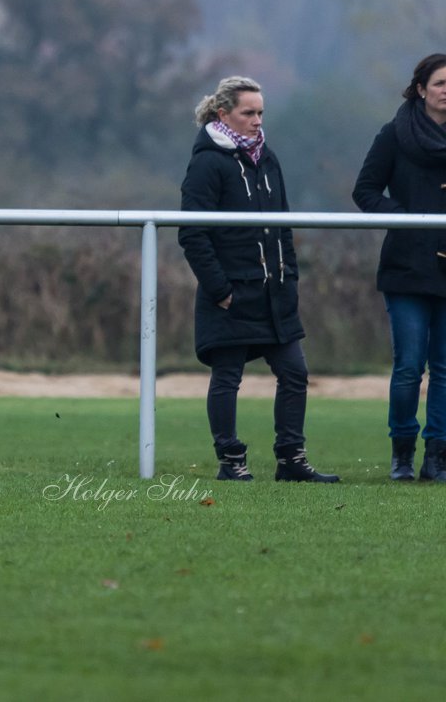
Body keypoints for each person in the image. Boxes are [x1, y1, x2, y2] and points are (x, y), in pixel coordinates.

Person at [178, 75, 339, 482]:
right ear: (223, 113)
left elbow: (282, 225)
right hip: (231, 295)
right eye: (248, 113)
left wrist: (289, 276)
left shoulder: (268, 159)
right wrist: (220, 289)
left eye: (261, 112)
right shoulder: (207, 162)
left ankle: (291, 460)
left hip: (274, 293)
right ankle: (231, 461)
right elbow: (192, 233)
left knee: (295, 374)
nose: (256, 121)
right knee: (228, 377)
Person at [352, 53, 446, 482]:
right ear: (422, 88)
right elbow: (366, 191)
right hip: (407, 267)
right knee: (410, 365)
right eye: (441, 83)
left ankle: (437, 456)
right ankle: (402, 453)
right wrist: (406, 220)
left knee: (445, 367)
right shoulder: (394, 135)